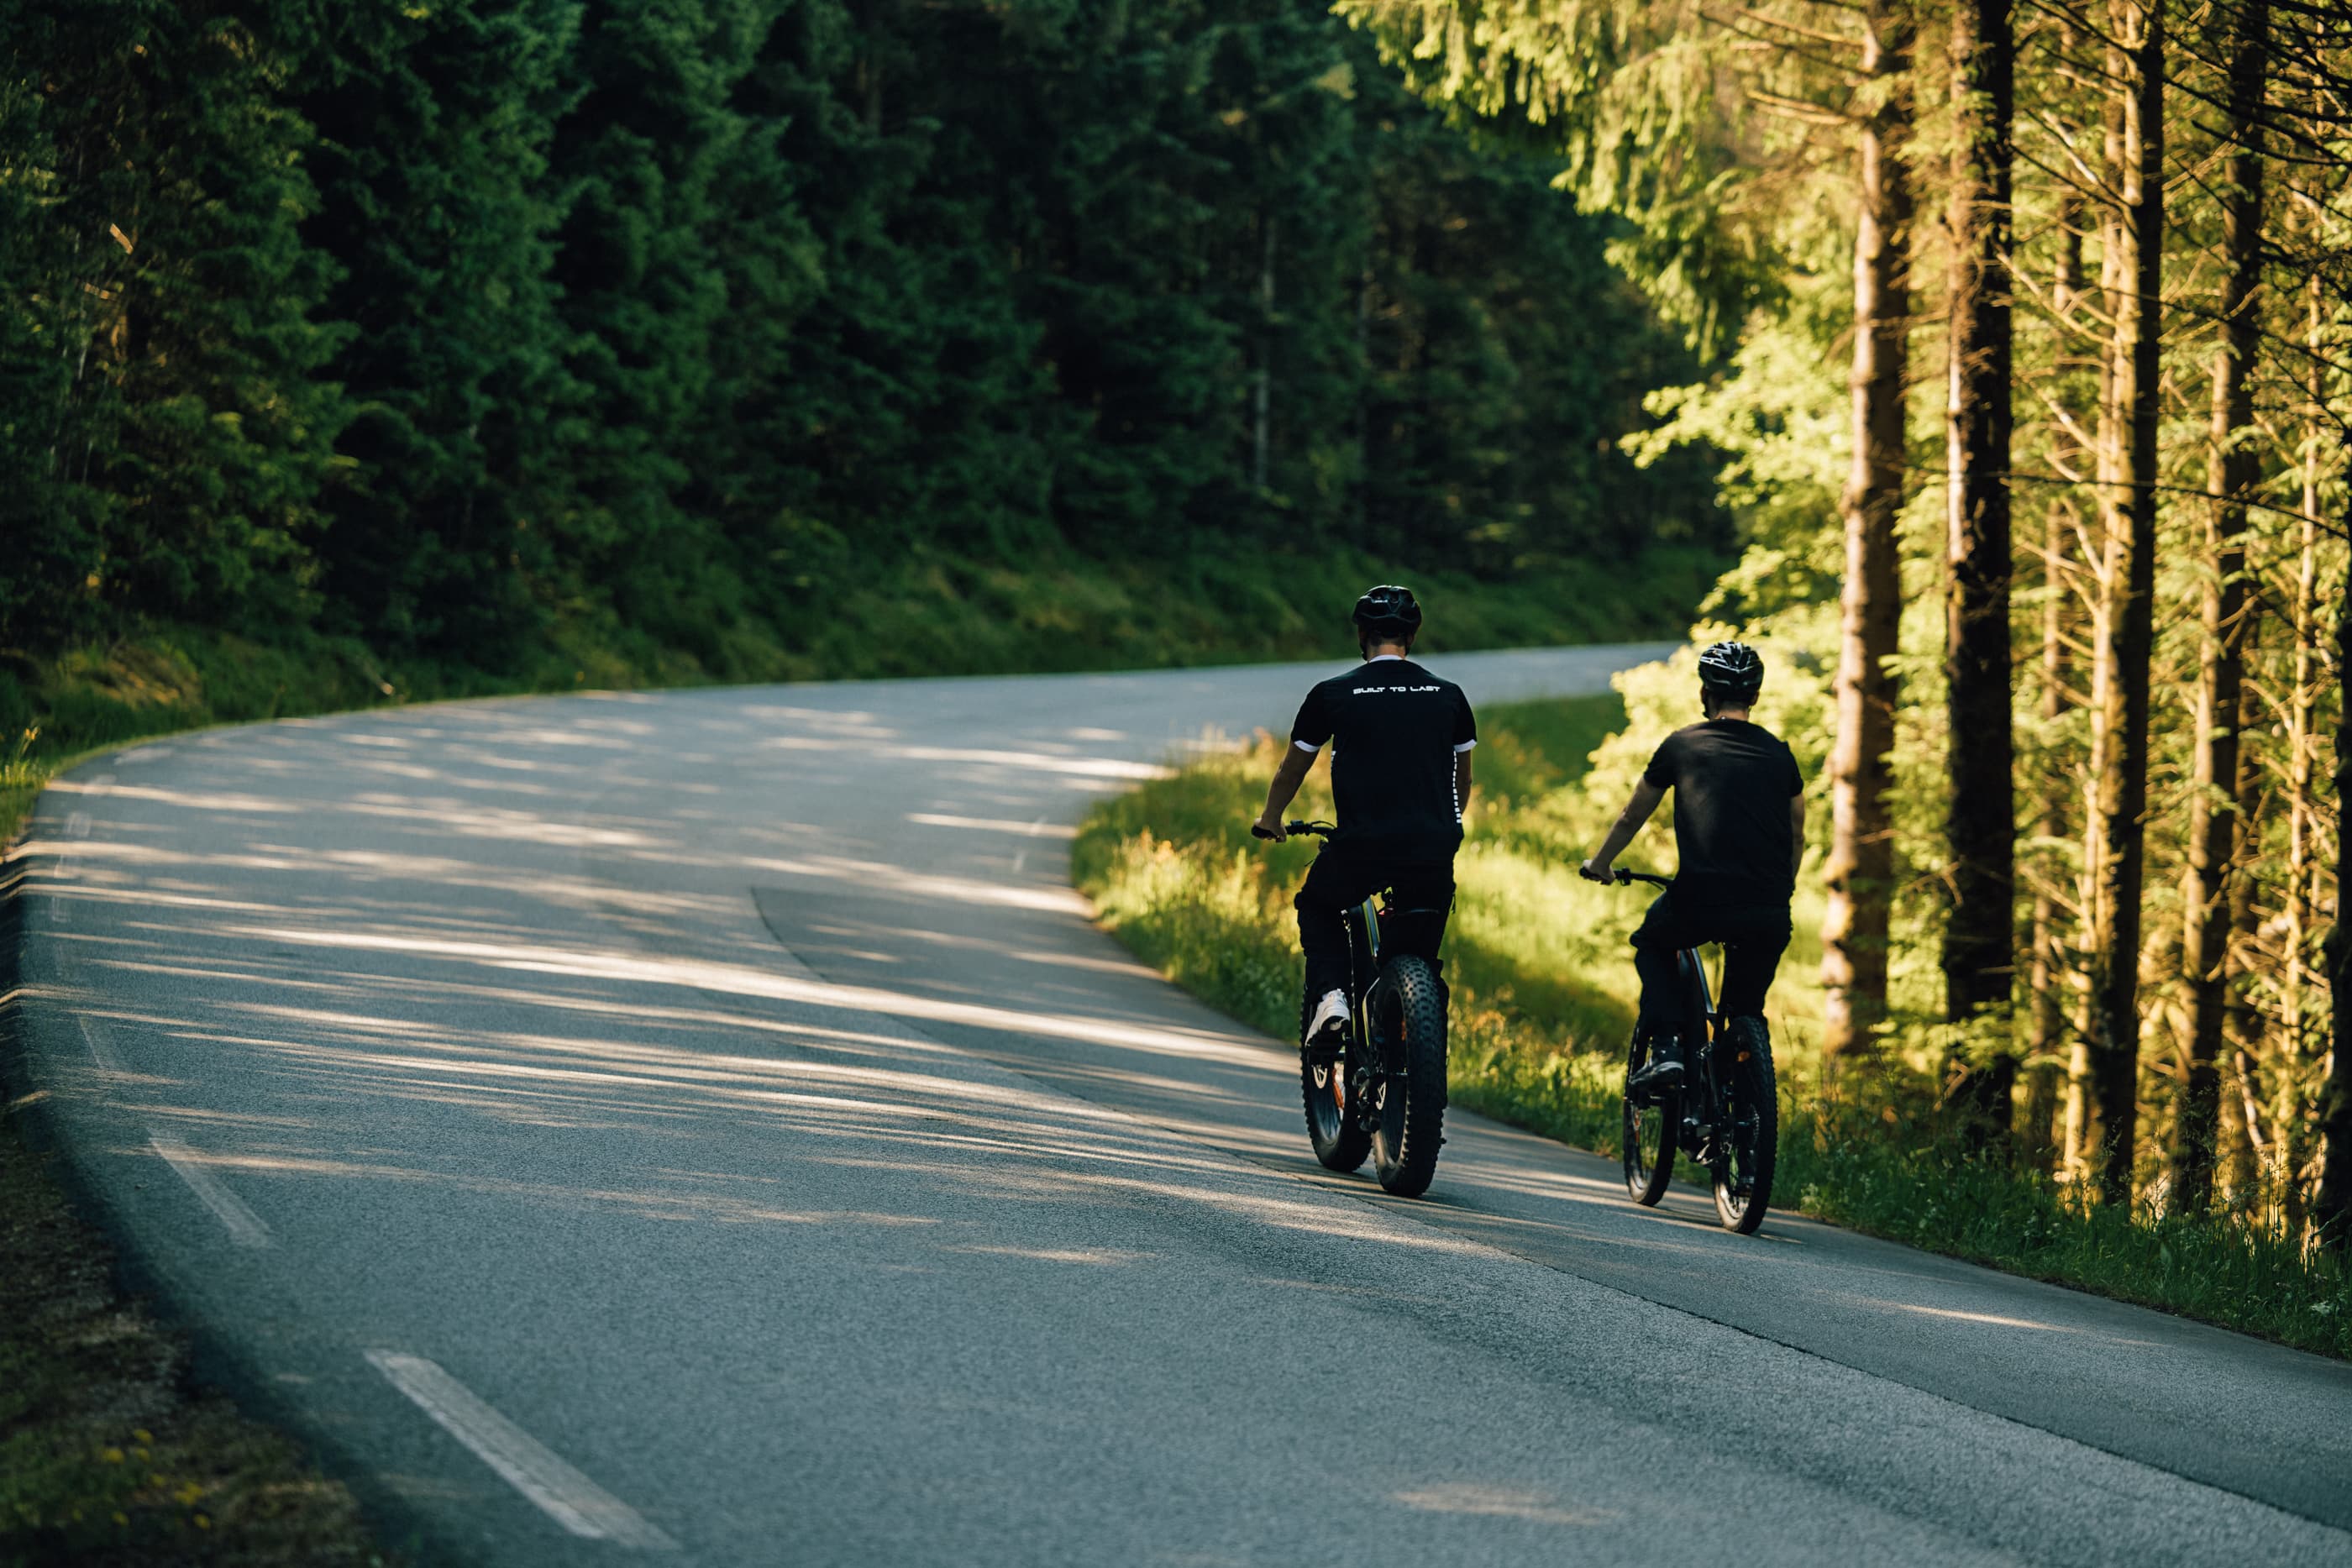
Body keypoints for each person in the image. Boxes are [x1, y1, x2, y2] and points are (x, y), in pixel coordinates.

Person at [1252, 586, 1477, 1053]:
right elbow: (1461, 778)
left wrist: (1272, 817)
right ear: (1411, 637)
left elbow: (1293, 766)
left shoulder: (1332, 694)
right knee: (1417, 956)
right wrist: (1447, 829)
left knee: (1318, 904)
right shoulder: (1449, 696)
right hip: (1432, 851)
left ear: (1362, 636)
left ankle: (1332, 997)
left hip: (1361, 848)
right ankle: (1415, 1031)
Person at [1578, 641, 1804, 1093]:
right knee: (1744, 1012)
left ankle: (1666, 1050)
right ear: (1754, 697)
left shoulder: (1683, 745)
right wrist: (1784, 890)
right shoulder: (1781, 755)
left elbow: (1631, 816)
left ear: (1706, 694)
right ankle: (1738, 1099)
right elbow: (1798, 834)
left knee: (1652, 942)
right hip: (1769, 908)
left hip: (1702, 900)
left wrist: (1601, 864)